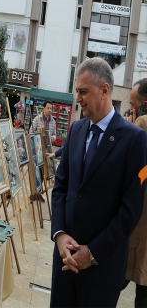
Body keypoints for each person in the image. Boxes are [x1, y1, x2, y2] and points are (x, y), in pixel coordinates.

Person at [50, 58, 147, 307]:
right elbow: (61, 186)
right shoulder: (77, 129)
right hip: (64, 262)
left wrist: (92, 254)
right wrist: (59, 234)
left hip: (102, 270)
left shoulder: (135, 139)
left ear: (104, 90)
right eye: (77, 92)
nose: (78, 98)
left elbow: (131, 210)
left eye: (83, 92)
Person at [125, 78, 147, 307]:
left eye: (134, 104)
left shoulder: (142, 123)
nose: (131, 108)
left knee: (114, 281)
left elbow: (134, 172)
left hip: (138, 225)